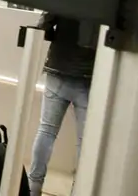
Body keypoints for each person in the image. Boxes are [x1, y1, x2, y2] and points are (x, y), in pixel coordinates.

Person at [28, 13, 98, 196]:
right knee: (85, 141)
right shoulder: (104, 2)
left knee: (46, 131)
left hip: (58, 68)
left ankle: (34, 187)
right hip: (89, 76)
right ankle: (80, 189)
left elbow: (43, 24)